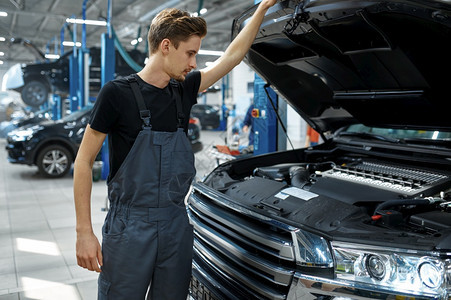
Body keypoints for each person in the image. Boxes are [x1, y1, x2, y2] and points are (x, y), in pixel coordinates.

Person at [73, 0, 277, 299]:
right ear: (166, 46)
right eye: (190, 53)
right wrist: (83, 232)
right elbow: (83, 162)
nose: (194, 62)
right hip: (130, 227)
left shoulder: (184, 91)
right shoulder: (116, 94)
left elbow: (232, 57)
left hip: (175, 224)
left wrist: (262, 8)